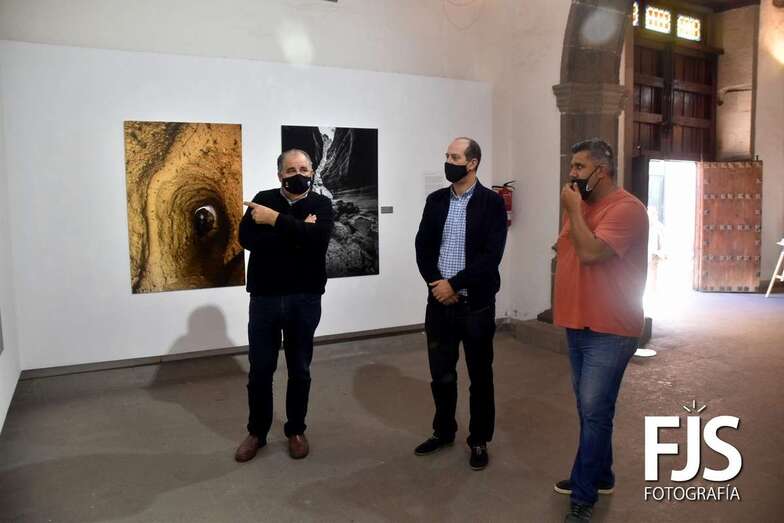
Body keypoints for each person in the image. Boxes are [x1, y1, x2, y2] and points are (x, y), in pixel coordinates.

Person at [553, 138, 648, 522]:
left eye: (578, 167)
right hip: (578, 320)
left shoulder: (627, 210)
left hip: (610, 328)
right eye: (572, 166)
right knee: (591, 408)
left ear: (601, 171)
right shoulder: (583, 206)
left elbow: (591, 253)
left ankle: (584, 494)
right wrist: (574, 218)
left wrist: (573, 211)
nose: (571, 174)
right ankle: (601, 474)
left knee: (594, 411)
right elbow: (568, 247)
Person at [413, 137, 508, 471]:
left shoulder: (492, 203)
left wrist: (454, 284)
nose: (448, 161)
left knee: (480, 376)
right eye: (447, 155)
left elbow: (490, 257)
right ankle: (444, 431)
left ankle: (479, 439)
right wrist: (436, 284)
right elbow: (422, 246)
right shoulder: (436, 200)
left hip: (475, 305)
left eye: (454, 156)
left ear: (473, 162)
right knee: (441, 374)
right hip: (439, 303)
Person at [234, 148, 334, 462]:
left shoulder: (321, 204)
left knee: (300, 369)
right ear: (280, 174)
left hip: (304, 299)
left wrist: (274, 220)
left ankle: (296, 430)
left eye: (304, 168)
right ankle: (257, 432)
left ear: (313, 171)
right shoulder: (262, 196)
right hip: (264, 298)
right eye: (291, 170)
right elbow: (248, 240)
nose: (298, 174)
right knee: (260, 370)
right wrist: (298, 230)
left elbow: (318, 241)